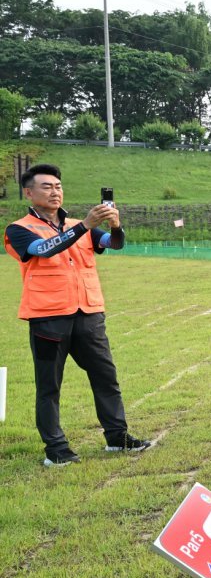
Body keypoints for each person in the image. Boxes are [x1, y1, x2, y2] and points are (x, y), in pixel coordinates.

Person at [4, 164, 151, 466]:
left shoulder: (77, 224)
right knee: (49, 386)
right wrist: (84, 225)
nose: (54, 191)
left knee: (106, 377)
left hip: (89, 314)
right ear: (29, 193)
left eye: (58, 186)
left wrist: (115, 226)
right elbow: (44, 250)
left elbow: (115, 244)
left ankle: (117, 438)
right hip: (48, 318)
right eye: (46, 186)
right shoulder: (18, 229)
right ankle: (56, 449)